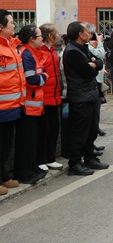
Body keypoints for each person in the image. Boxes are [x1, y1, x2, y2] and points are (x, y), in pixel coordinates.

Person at [62, 22, 108, 176]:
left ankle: (90, 158)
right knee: (79, 132)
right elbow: (89, 72)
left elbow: (99, 62)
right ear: (80, 34)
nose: (89, 34)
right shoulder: (72, 52)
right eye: (86, 31)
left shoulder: (83, 48)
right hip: (80, 96)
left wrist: (94, 64)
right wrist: (94, 66)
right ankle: (75, 163)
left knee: (91, 130)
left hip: (90, 94)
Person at [13, 25, 47, 185]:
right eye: (40, 36)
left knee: (32, 141)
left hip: (34, 106)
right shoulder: (26, 54)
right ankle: (24, 173)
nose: (42, 39)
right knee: (25, 142)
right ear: (32, 39)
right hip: (27, 106)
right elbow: (31, 80)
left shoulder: (33, 53)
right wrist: (45, 77)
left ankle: (32, 168)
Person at [0, 10, 25, 195]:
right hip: (1, 106)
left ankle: (3, 177)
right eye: (11, 22)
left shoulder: (11, 46)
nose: (14, 25)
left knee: (6, 144)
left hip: (12, 105)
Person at [37, 23, 64, 172]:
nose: (59, 36)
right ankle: (41, 159)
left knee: (54, 129)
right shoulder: (40, 52)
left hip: (55, 96)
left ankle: (50, 158)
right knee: (43, 131)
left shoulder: (53, 51)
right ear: (49, 36)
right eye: (57, 33)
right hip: (43, 99)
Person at [86, 23, 107, 136]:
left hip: (96, 78)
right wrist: (100, 42)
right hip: (91, 80)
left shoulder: (88, 46)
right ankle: (94, 128)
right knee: (94, 107)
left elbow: (98, 60)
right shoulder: (86, 46)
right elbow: (101, 55)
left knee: (97, 106)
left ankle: (95, 126)